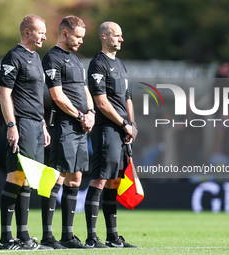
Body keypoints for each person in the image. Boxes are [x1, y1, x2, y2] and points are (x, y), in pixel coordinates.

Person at [0, 14, 51, 250]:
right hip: (21, 124)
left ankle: (24, 237)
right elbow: (4, 93)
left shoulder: (36, 58)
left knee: (28, 177)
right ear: (27, 32)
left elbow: (35, 97)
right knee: (17, 175)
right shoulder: (13, 57)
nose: (45, 36)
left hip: (35, 125)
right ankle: (5, 238)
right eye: (40, 32)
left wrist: (42, 124)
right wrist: (11, 126)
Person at [41, 15, 95, 249]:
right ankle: (47, 236)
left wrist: (91, 111)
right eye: (78, 36)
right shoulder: (52, 57)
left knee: (76, 177)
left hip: (80, 126)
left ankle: (67, 236)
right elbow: (57, 96)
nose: (81, 41)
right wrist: (81, 115)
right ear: (65, 34)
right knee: (57, 176)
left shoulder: (76, 59)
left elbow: (84, 89)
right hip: (63, 125)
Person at [84, 21, 138, 248]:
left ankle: (113, 237)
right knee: (100, 179)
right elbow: (101, 103)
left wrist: (131, 125)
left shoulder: (121, 65)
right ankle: (91, 237)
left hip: (122, 130)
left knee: (115, 181)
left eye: (121, 35)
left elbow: (127, 98)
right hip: (106, 130)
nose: (121, 39)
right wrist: (124, 123)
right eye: (116, 35)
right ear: (104, 37)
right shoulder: (98, 64)